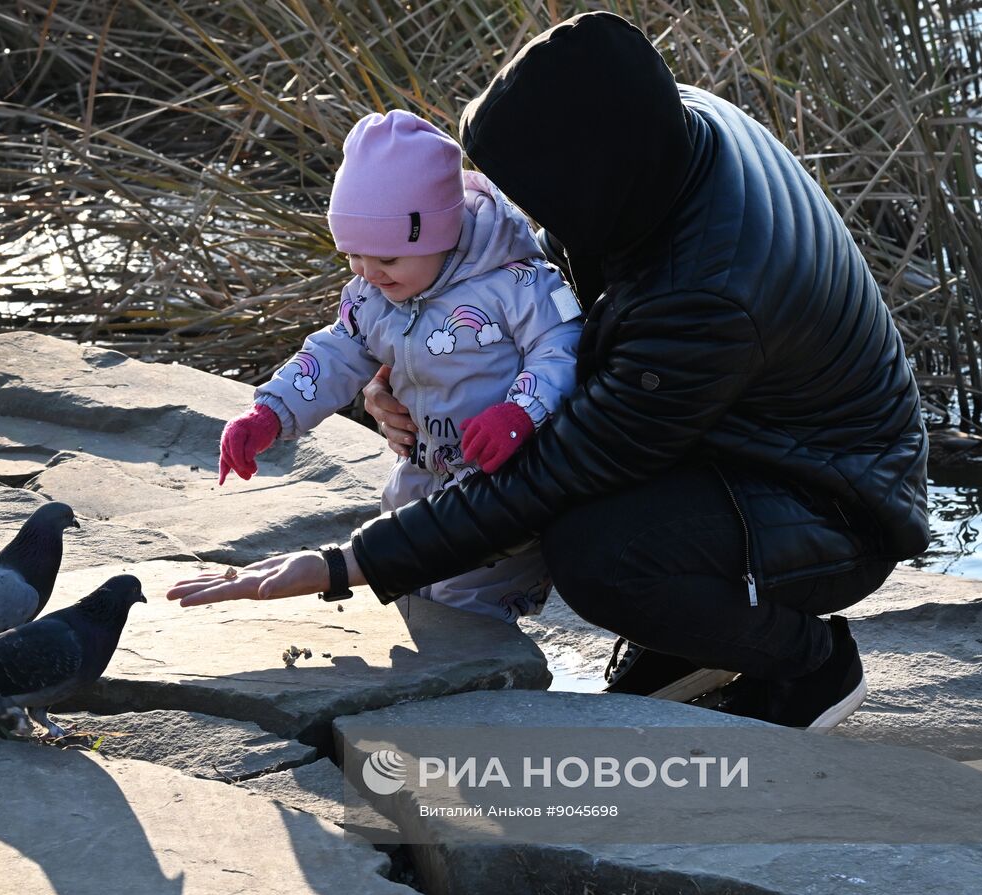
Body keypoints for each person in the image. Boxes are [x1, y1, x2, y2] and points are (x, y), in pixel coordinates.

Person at [171, 11, 930, 731]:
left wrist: (348, 563)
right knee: (580, 502)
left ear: (591, 181)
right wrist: (386, 373)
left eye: (539, 195)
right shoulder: (663, 131)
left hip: (837, 501)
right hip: (739, 429)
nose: (515, 212)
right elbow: (538, 299)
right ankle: (686, 644)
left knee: (596, 554)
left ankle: (810, 665)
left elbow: (554, 475)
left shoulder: (707, 293)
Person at [216, 109, 583, 622]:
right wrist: (271, 412)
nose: (368, 272)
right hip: (419, 472)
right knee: (409, 583)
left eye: (386, 259)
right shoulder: (375, 290)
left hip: (501, 483)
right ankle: (432, 682)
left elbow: (562, 346)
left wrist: (519, 413)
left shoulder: (515, 283)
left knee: (470, 612)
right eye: (353, 256)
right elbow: (338, 350)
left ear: (440, 231)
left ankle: (485, 694)